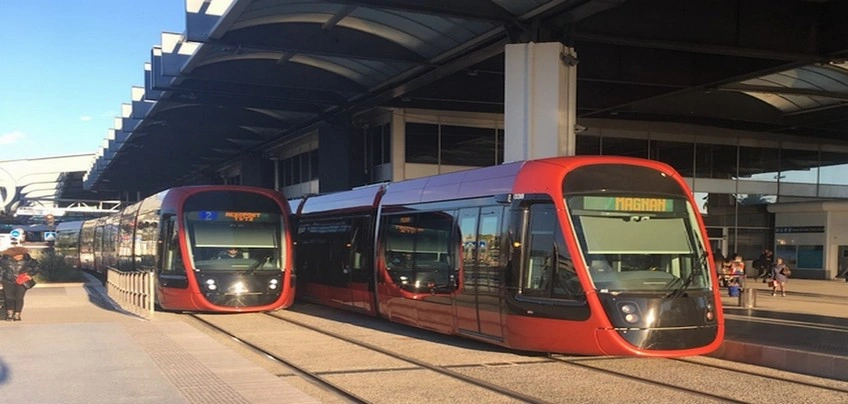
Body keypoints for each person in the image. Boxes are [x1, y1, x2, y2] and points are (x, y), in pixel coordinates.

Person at [1, 246, 40, 321]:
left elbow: (36, 267)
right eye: (17, 255)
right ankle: (9, 313)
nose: (19, 257)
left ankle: (17, 314)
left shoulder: (28, 260)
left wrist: (29, 274)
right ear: (12, 255)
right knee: (9, 297)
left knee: (19, 298)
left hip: (22, 281)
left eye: (20, 255)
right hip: (7, 281)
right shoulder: (4, 260)